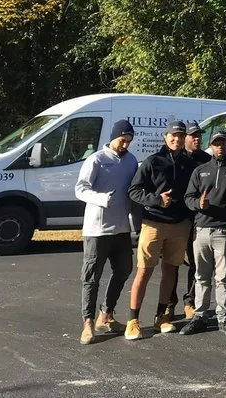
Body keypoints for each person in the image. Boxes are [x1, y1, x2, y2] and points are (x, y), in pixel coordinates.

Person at [125, 119, 196, 340]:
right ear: (165, 137)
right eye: (173, 135)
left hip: (180, 225)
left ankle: (161, 317)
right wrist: (156, 199)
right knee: (144, 270)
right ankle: (133, 320)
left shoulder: (189, 163)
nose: (177, 139)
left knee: (170, 271)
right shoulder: (153, 161)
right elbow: (133, 191)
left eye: (181, 136)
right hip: (154, 223)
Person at [75, 119, 139, 345]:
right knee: (91, 277)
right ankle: (88, 323)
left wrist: (136, 222)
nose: (125, 145)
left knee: (124, 269)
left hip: (121, 228)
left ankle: (107, 315)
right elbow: (80, 188)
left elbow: (133, 191)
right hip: (97, 229)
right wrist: (101, 199)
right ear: (113, 137)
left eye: (129, 142)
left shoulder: (131, 161)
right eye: (122, 140)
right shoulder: (96, 160)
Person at [180, 131, 226, 336]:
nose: (220, 147)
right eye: (216, 143)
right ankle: (199, 316)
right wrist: (197, 204)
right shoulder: (201, 171)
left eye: (223, 143)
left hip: (223, 231)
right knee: (201, 276)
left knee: (223, 277)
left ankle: (223, 317)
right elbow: (188, 197)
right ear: (211, 146)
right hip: (201, 230)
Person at [171, 120, 211, 320]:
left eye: (200, 135)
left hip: (198, 219)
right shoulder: (176, 158)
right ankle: (169, 304)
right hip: (177, 219)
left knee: (196, 264)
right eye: (193, 135)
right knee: (173, 263)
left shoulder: (206, 159)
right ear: (184, 138)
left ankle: (190, 302)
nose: (197, 139)